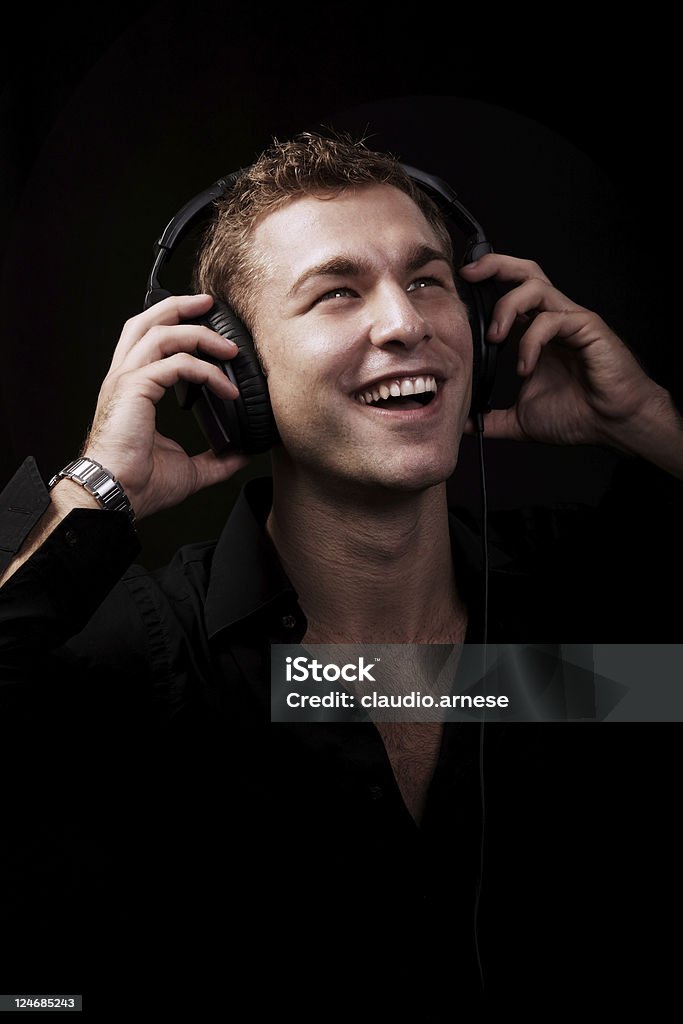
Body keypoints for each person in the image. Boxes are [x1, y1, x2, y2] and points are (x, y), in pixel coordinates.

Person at [1, 132, 681, 1015]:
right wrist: (96, 490)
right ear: (228, 370)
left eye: (428, 280)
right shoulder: (142, 663)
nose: (407, 323)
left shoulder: (587, 617)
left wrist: (656, 426)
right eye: (335, 293)